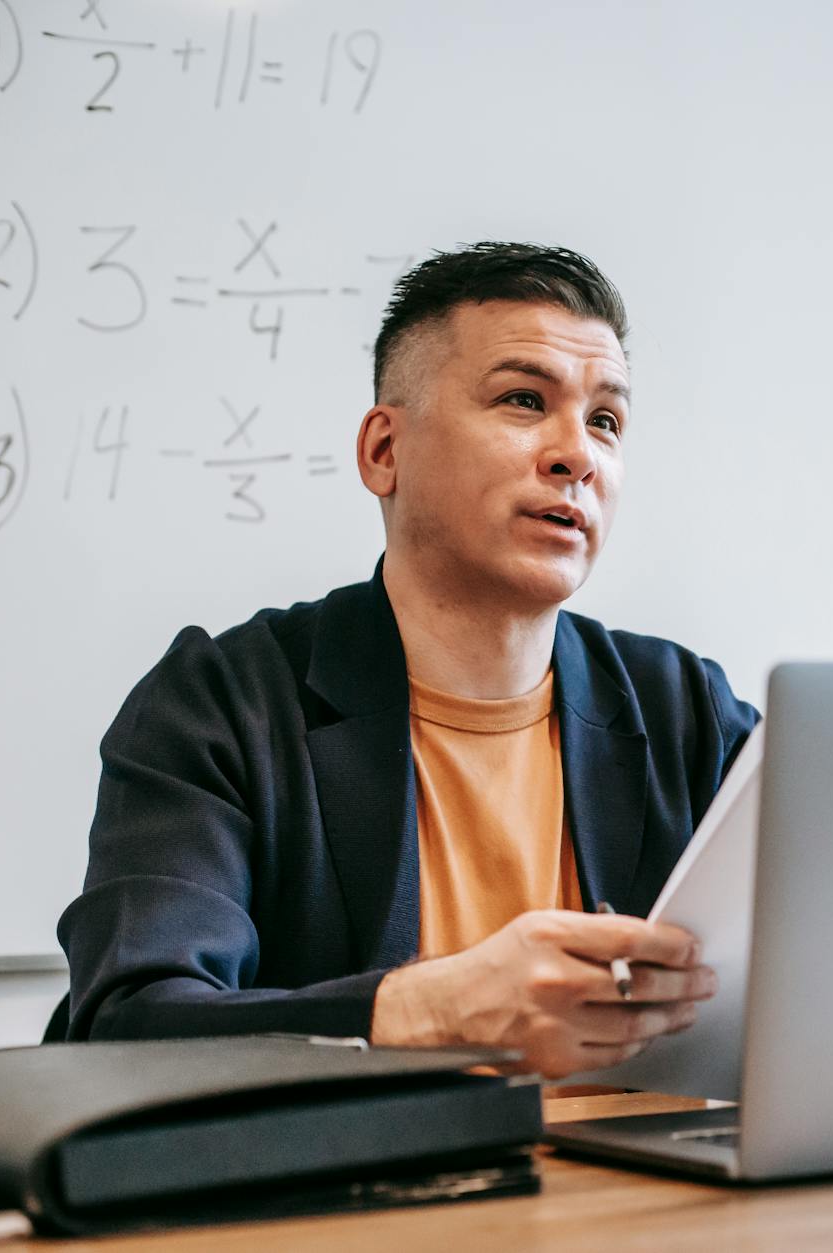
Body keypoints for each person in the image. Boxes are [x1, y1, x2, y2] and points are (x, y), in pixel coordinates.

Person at [56, 243, 753, 1079]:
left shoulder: (687, 710)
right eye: (525, 400)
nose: (579, 454)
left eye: (605, 420)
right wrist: (433, 1011)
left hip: (635, 1199)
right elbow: (127, 1029)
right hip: (348, 1204)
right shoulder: (220, 704)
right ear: (385, 452)